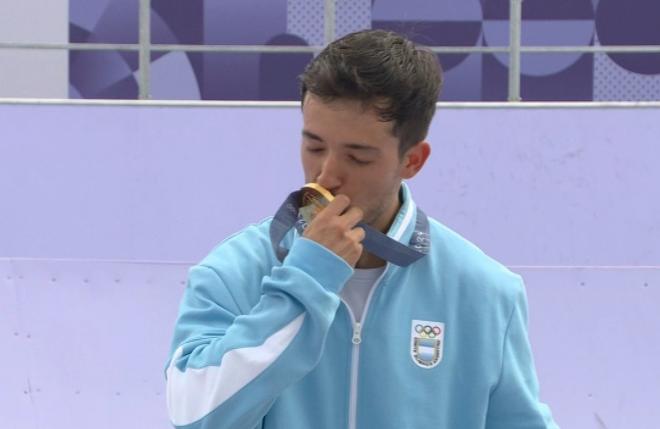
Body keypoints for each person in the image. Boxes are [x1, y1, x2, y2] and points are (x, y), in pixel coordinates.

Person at [165, 29, 558, 429]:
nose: (326, 175)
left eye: (358, 157)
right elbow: (192, 415)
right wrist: (307, 281)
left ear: (413, 161)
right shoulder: (232, 272)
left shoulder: (485, 292)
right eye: (314, 147)